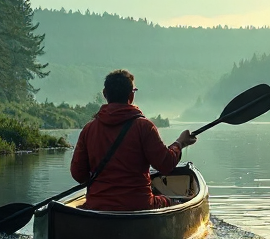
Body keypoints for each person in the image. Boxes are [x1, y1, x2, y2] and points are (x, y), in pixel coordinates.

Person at [70, 69, 197, 211]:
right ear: (131, 95)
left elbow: (78, 174)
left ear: (105, 94)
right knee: (173, 202)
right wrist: (180, 143)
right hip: (139, 205)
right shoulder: (144, 127)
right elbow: (166, 165)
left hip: (98, 206)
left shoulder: (89, 129)